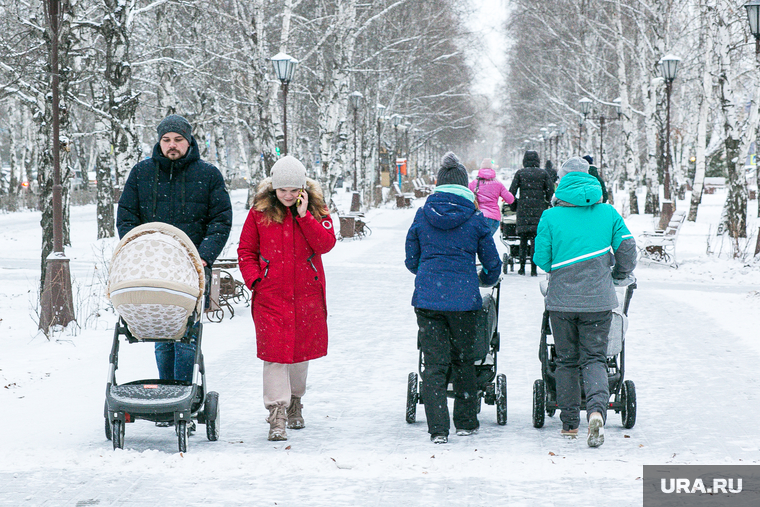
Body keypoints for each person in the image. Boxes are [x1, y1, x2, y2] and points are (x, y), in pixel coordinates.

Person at [117, 113, 232, 387]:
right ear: (159, 142)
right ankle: (165, 391)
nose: (172, 145)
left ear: (189, 141)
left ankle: (182, 393)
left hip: (193, 267)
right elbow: (127, 216)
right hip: (152, 267)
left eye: (178, 140)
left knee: (186, 335)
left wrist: (203, 256)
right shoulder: (142, 173)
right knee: (161, 334)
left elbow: (221, 219)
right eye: (166, 140)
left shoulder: (208, 174)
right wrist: (137, 250)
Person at [533, 157, 636, 448]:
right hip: (599, 301)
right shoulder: (608, 213)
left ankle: (569, 423)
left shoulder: (550, 216)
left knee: (566, 360)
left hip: (562, 302)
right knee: (595, 358)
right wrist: (619, 272)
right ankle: (596, 413)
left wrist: (561, 262)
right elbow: (627, 248)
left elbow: (542, 258)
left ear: (560, 186)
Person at [405, 152, 502, 444]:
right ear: (465, 187)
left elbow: (411, 260)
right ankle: (466, 423)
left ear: (437, 184)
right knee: (464, 361)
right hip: (464, 303)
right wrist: (482, 280)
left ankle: (438, 430)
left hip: (428, 301)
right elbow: (493, 265)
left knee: (434, 364)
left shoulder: (423, 214)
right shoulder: (475, 219)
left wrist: (427, 273)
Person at [237, 156, 336, 441]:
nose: (289, 195)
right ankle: (277, 412)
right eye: (283, 190)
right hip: (271, 294)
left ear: (304, 188)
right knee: (275, 355)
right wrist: (256, 280)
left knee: (300, 355)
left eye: (295, 190)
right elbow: (246, 250)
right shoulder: (259, 212)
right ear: (274, 188)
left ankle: (295, 401)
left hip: (307, 294)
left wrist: (305, 216)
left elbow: (325, 244)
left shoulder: (317, 209)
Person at [508, 150, 554, 276]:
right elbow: (550, 191)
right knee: (535, 239)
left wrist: (515, 206)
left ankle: (522, 267)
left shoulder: (520, 173)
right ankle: (533, 269)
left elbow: (511, 192)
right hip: (539, 210)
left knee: (523, 239)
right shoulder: (543, 173)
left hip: (523, 209)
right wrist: (547, 203)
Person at [468, 158, 515, 236]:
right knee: (487, 241)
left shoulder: (473, 184)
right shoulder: (498, 184)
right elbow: (510, 199)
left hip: (479, 216)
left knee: (478, 242)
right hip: (494, 218)